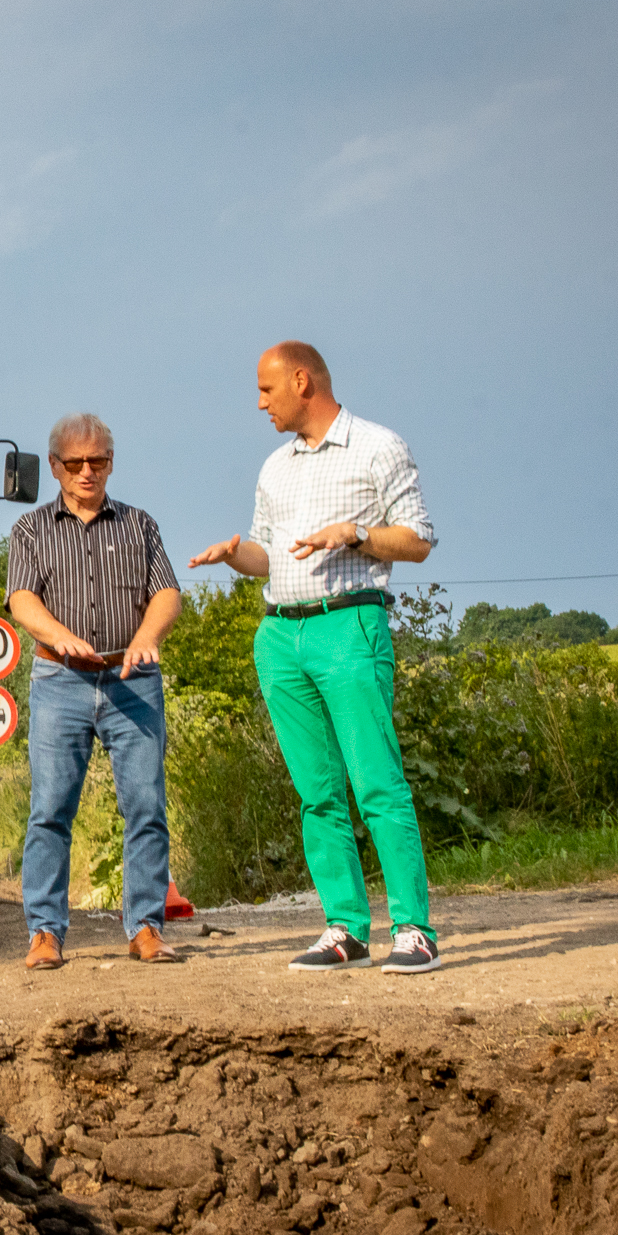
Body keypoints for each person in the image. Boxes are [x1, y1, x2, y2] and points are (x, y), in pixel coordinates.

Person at [188, 341, 442, 974]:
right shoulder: (275, 467)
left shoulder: (378, 447)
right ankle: (346, 927)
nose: (259, 402)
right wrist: (235, 552)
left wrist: (355, 533)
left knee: (377, 781)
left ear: (302, 381)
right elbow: (270, 557)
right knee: (317, 792)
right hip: (281, 636)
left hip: (348, 626)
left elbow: (418, 539)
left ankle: (413, 929)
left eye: (266, 389)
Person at [6, 413, 183, 969]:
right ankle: (45, 932)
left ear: (111, 462)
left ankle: (147, 927)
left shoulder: (139, 526)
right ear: (55, 465)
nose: (87, 472)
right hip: (60, 680)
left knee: (146, 806)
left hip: (132, 681)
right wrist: (61, 637)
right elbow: (21, 600)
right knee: (51, 809)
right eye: (75, 463)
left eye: (98, 461)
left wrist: (146, 638)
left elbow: (167, 594)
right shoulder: (30, 530)